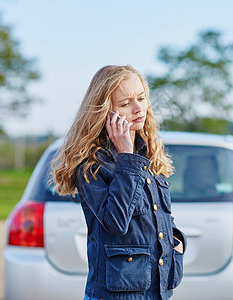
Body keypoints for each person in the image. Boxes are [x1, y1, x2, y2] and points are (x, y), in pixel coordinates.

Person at [52, 65, 186, 300]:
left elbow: (160, 217)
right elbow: (116, 223)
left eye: (141, 98)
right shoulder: (91, 165)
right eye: (125, 104)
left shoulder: (148, 156)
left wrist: (177, 242)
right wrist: (126, 156)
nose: (138, 108)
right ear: (105, 112)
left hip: (157, 293)